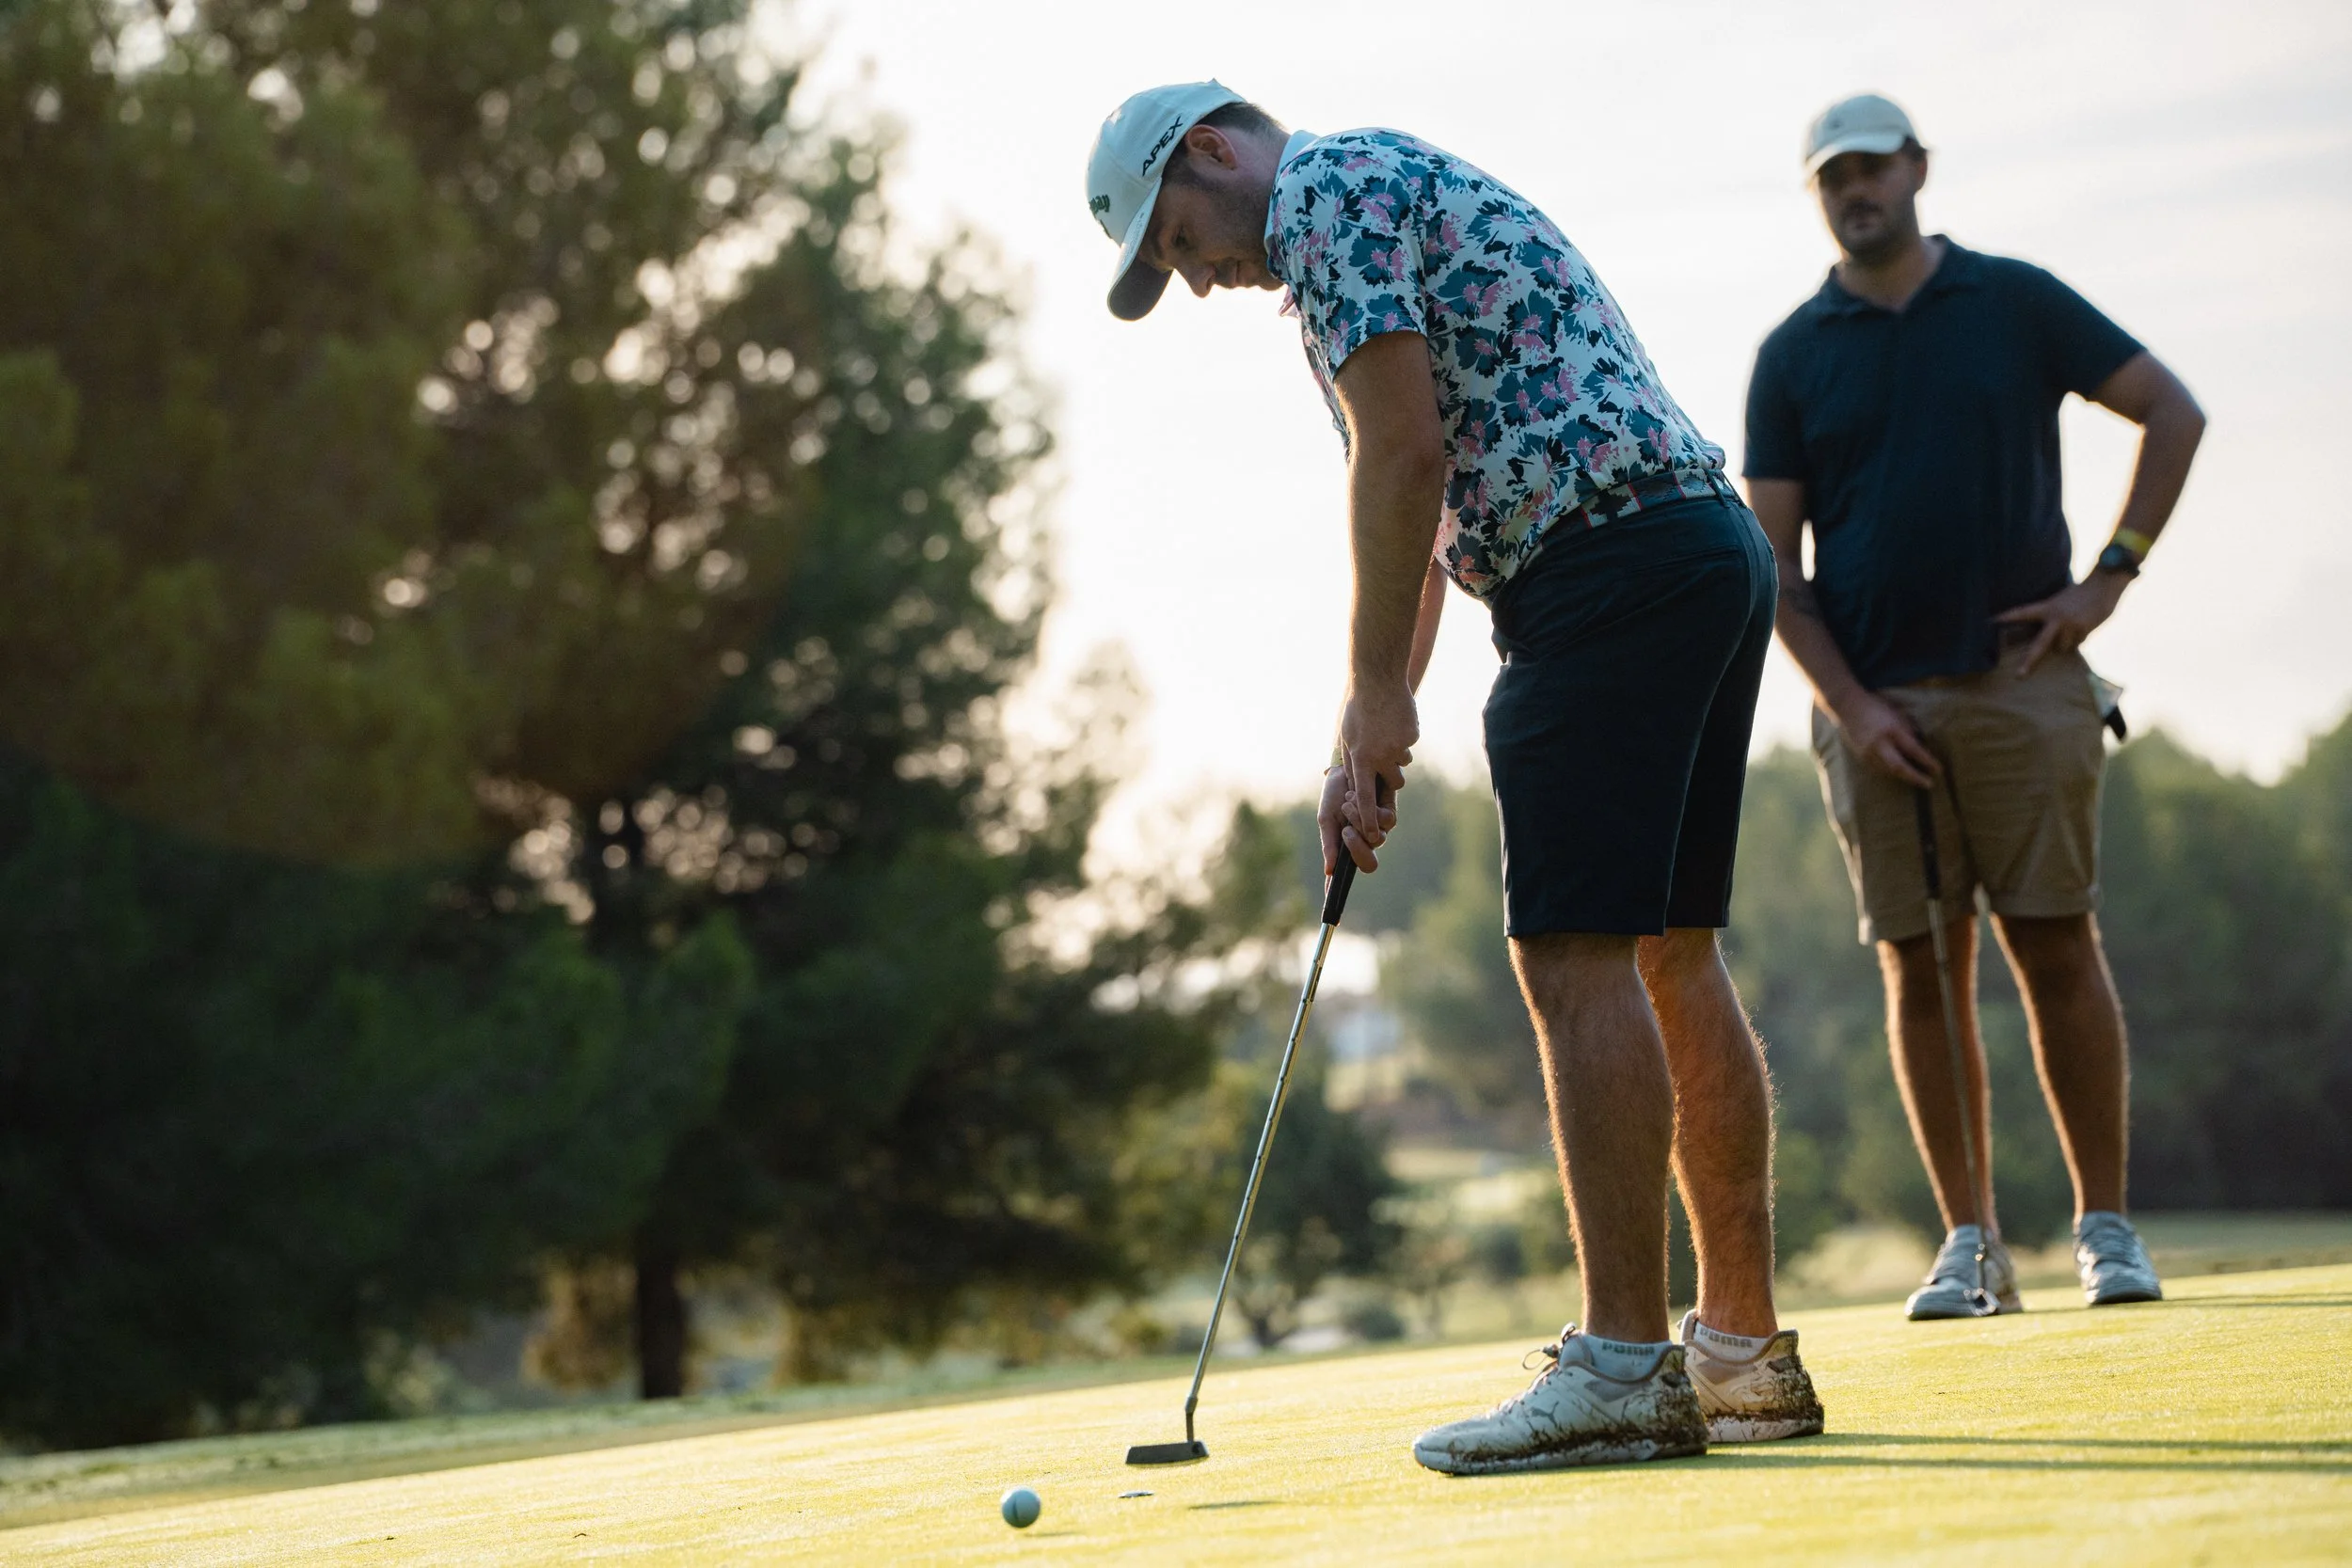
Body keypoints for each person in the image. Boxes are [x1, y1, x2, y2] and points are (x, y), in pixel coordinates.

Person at [1086, 82, 1822, 1474]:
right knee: (1670, 947)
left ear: (1212, 151)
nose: (1195, 279)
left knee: (1573, 954)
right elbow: (1418, 516)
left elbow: (1403, 456)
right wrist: (1369, 726)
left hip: (1598, 574)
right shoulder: (1364, 204)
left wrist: (1376, 699)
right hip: (1695, 546)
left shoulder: (1322, 201)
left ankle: (1621, 1366)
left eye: (1177, 240)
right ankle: (1740, 1353)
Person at [1744, 94, 2206, 1321]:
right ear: (1818, 193)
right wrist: (1850, 706)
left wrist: (2108, 581)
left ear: (1916, 168)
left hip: (2022, 684)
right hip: (1874, 708)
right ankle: (1973, 1243)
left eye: (1872, 167)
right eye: (1834, 176)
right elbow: (1770, 566)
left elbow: (2173, 410)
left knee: (2055, 943)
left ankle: (2106, 1230)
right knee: (1920, 971)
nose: (1856, 190)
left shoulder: (2016, 300)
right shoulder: (1794, 353)